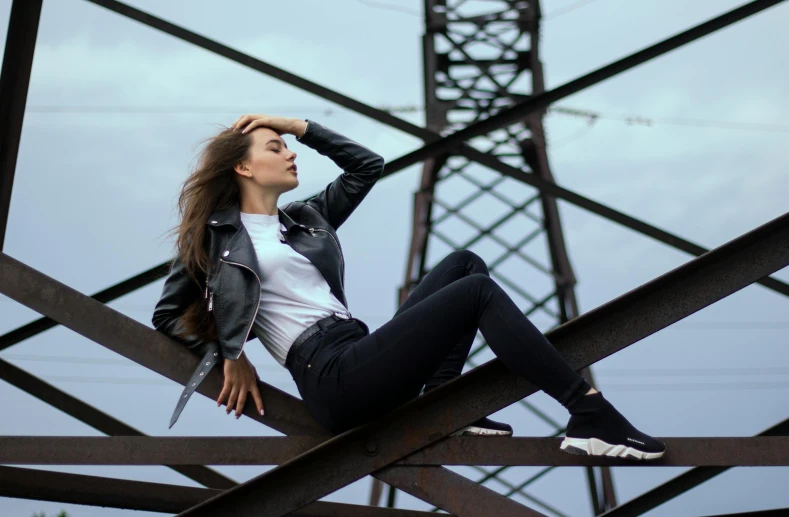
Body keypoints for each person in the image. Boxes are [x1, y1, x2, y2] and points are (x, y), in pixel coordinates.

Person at [152, 114, 666, 460]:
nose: (290, 154)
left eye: (288, 146)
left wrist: (300, 125)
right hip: (330, 376)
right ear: (243, 167)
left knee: (466, 266)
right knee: (476, 294)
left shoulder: (303, 220)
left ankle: (443, 402)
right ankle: (589, 412)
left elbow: (367, 166)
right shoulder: (214, 238)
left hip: (356, 349)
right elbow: (166, 316)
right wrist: (228, 353)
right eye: (276, 147)